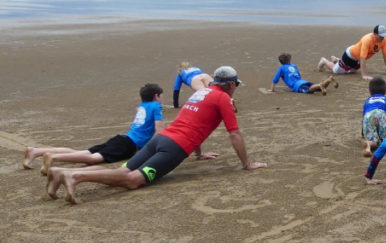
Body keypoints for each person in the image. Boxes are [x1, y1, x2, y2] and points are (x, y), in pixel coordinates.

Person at [45, 66, 267, 204]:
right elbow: (234, 133)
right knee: (133, 180)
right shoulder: (223, 98)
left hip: (160, 139)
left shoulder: (202, 93)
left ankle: (61, 171)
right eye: (235, 85)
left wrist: (199, 154)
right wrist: (246, 164)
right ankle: (75, 176)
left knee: (122, 172)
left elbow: (195, 120)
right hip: (175, 147)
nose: (235, 88)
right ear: (230, 84)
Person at [24, 83, 165, 175]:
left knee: (83, 152)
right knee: (92, 159)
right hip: (128, 144)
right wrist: (162, 144)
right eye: (161, 96)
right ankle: (54, 157)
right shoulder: (156, 106)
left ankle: (36, 151)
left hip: (122, 139)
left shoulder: (142, 105)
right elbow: (158, 127)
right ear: (156, 96)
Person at [318, 25, 386, 81]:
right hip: (350, 55)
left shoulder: (384, 40)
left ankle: (336, 60)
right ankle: (324, 61)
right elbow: (362, 58)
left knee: (351, 71)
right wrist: (364, 75)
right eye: (380, 35)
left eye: (383, 35)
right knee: (337, 72)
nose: (382, 37)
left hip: (358, 59)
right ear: (374, 34)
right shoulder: (367, 39)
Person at [270, 53, 337, 95]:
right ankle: (328, 80)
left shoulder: (281, 68)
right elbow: (299, 75)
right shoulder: (293, 66)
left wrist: (272, 89)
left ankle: (320, 85)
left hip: (297, 86)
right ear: (289, 60)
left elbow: (275, 79)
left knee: (309, 90)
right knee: (317, 89)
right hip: (303, 81)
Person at [362, 77, 386, 157]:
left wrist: (363, 133)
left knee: (372, 138)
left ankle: (369, 144)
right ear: (385, 91)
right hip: (382, 114)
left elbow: (364, 118)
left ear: (370, 92)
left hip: (369, 115)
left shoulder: (368, 101)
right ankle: (385, 143)